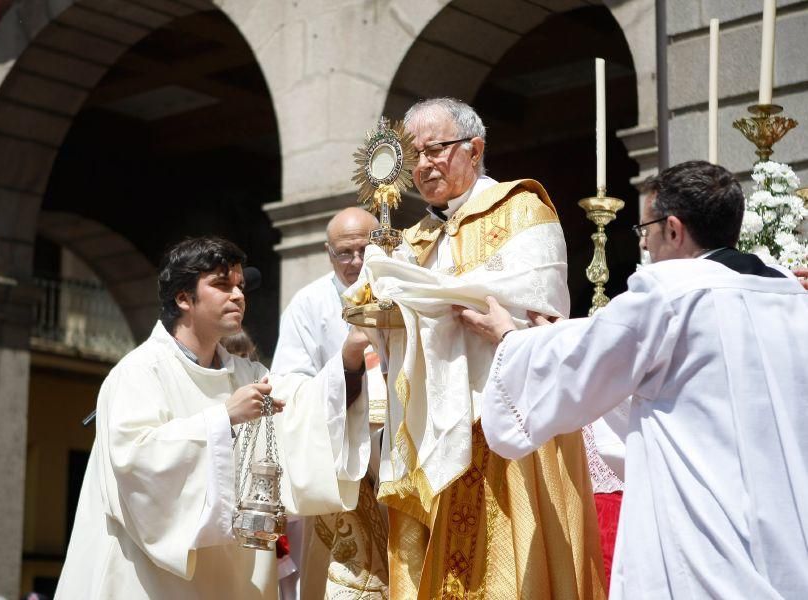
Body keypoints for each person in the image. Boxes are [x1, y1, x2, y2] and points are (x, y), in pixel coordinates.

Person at [458, 161, 808, 598]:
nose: (646, 242)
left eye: (646, 229)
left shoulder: (669, 291)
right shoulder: (789, 296)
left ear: (674, 229)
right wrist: (557, 334)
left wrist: (511, 339)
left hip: (705, 538)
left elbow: (583, 367)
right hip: (785, 535)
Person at [350, 97, 605, 599]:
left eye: (437, 149)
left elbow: (537, 296)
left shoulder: (522, 208)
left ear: (475, 148)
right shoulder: (410, 240)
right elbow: (394, 316)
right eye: (414, 155)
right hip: (432, 430)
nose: (424, 164)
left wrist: (426, 296)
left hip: (507, 419)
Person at [55, 237, 372, 600]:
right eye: (222, 285)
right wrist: (223, 418)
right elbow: (136, 462)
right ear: (183, 298)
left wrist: (349, 359)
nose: (238, 295)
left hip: (235, 577)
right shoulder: (139, 373)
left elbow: (308, 412)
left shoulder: (248, 374)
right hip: (150, 581)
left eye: (240, 285)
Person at [271, 206, 389, 600]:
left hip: (403, 456)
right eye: (345, 252)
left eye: (366, 249)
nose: (356, 262)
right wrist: (347, 363)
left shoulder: (404, 288)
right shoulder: (308, 305)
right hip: (340, 464)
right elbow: (288, 390)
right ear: (328, 252)